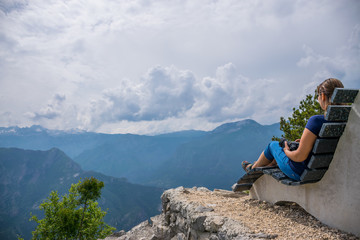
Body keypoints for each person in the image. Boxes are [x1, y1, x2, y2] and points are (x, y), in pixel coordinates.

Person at [241, 78, 344, 181]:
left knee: (272, 145)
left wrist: (286, 151)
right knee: (287, 146)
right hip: (322, 169)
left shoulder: (316, 120)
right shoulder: (344, 120)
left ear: (322, 96)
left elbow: (299, 157)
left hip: (298, 171)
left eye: (318, 96)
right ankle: (266, 164)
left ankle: (251, 168)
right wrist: (306, 142)